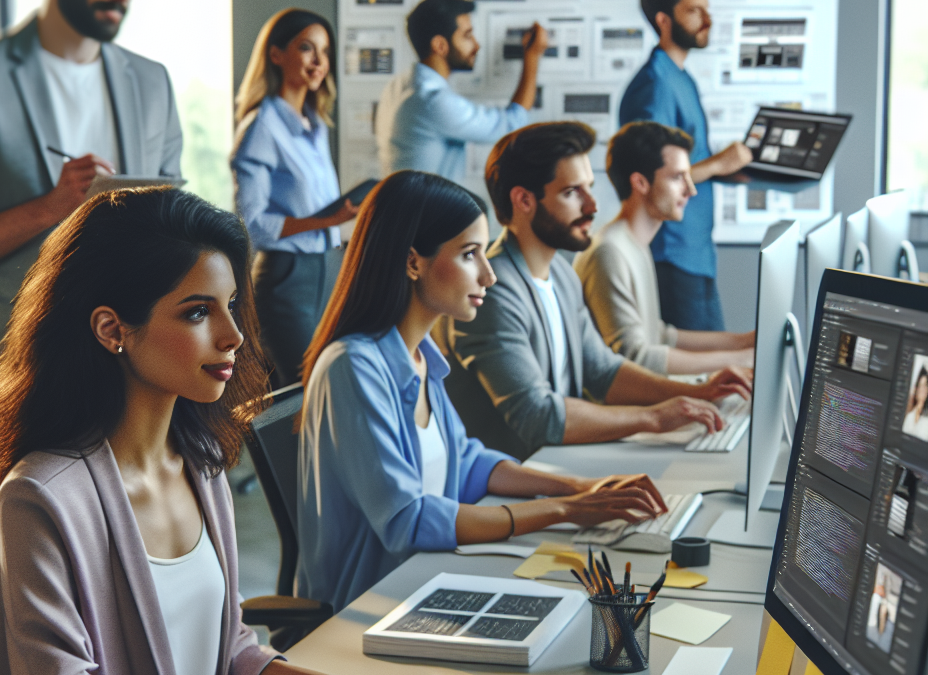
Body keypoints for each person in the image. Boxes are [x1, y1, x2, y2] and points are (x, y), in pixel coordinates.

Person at [0, 188, 323, 675]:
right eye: (198, 311)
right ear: (112, 330)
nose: (233, 335)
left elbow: (231, 647)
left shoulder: (199, 459)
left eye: (231, 304)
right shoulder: (41, 496)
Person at [296, 170, 668, 612]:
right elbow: (407, 520)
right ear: (413, 261)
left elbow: (468, 462)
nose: (489, 275)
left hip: (429, 580)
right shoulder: (353, 367)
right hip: (370, 610)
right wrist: (565, 510)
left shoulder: (422, 357)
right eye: (471, 254)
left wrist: (578, 487)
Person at [0, 0, 182, 417]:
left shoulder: (153, 81)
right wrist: (52, 206)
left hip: (131, 368)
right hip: (16, 370)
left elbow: (168, 215)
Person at [440, 121, 753, 460]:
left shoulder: (560, 273)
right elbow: (538, 416)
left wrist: (700, 393)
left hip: (560, 463)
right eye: (572, 192)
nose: (592, 206)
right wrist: (654, 417)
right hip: (515, 484)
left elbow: (602, 371)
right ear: (524, 200)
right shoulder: (494, 291)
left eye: (589, 188)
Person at [232, 9, 358, 388]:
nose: (319, 61)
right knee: (306, 391)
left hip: (328, 271)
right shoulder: (262, 126)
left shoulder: (314, 125)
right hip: (288, 277)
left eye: (325, 51)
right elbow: (253, 225)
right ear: (276, 54)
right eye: (307, 48)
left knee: (329, 387)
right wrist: (326, 221)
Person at [574, 121, 755, 376]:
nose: (690, 190)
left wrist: (745, 342)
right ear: (640, 183)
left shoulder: (634, 244)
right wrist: (741, 359)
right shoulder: (609, 252)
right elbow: (636, 358)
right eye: (677, 177)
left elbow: (658, 335)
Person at [620, 0, 753, 331]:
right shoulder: (655, 84)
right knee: (698, 377)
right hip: (672, 252)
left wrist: (731, 169)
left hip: (697, 252)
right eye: (694, 10)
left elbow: (691, 165)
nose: (707, 19)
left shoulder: (682, 78)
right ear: (664, 20)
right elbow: (652, 179)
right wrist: (719, 162)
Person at [375, 0, 546, 182]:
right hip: (428, 209)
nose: (476, 45)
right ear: (440, 45)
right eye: (467, 36)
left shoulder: (397, 87)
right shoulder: (432, 101)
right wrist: (533, 56)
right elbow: (512, 123)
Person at [903, 365, 928, 440]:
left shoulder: (925, 419)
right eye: (920, 386)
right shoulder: (910, 415)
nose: (922, 389)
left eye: (925, 385)